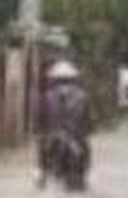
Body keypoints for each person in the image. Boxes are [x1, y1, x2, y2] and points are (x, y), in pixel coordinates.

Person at [37, 61, 92, 189]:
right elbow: (88, 121)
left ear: (54, 79)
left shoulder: (46, 96)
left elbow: (40, 119)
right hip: (75, 136)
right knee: (85, 151)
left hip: (53, 135)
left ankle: (42, 174)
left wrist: (44, 132)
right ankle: (81, 176)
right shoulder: (83, 96)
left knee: (42, 150)